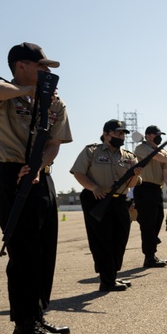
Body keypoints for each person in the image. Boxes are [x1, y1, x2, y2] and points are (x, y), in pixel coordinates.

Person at [0, 42, 74, 334]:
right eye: (41, 66)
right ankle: (24, 327)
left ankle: (37, 315)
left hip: (41, 178)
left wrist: (39, 166)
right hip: (11, 176)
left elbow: (55, 142)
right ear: (22, 66)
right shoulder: (2, 90)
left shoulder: (55, 101)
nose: (46, 72)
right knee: (24, 254)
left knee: (44, 252)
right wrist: (27, 93)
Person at [71, 119, 142, 292]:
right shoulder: (91, 151)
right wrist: (94, 187)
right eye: (117, 133)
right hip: (96, 199)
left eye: (123, 134)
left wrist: (135, 174)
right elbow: (78, 172)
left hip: (119, 201)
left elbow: (133, 184)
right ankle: (106, 280)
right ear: (106, 134)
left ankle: (112, 275)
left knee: (120, 238)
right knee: (102, 240)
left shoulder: (128, 156)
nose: (121, 136)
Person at [132, 125, 167, 267]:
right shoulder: (141, 148)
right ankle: (149, 256)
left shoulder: (163, 152)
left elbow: (166, 170)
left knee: (158, 219)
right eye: (157, 134)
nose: (159, 137)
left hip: (156, 189)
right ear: (148, 135)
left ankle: (151, 248)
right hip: (143, 188)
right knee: (148, 223)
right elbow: (159, 158)